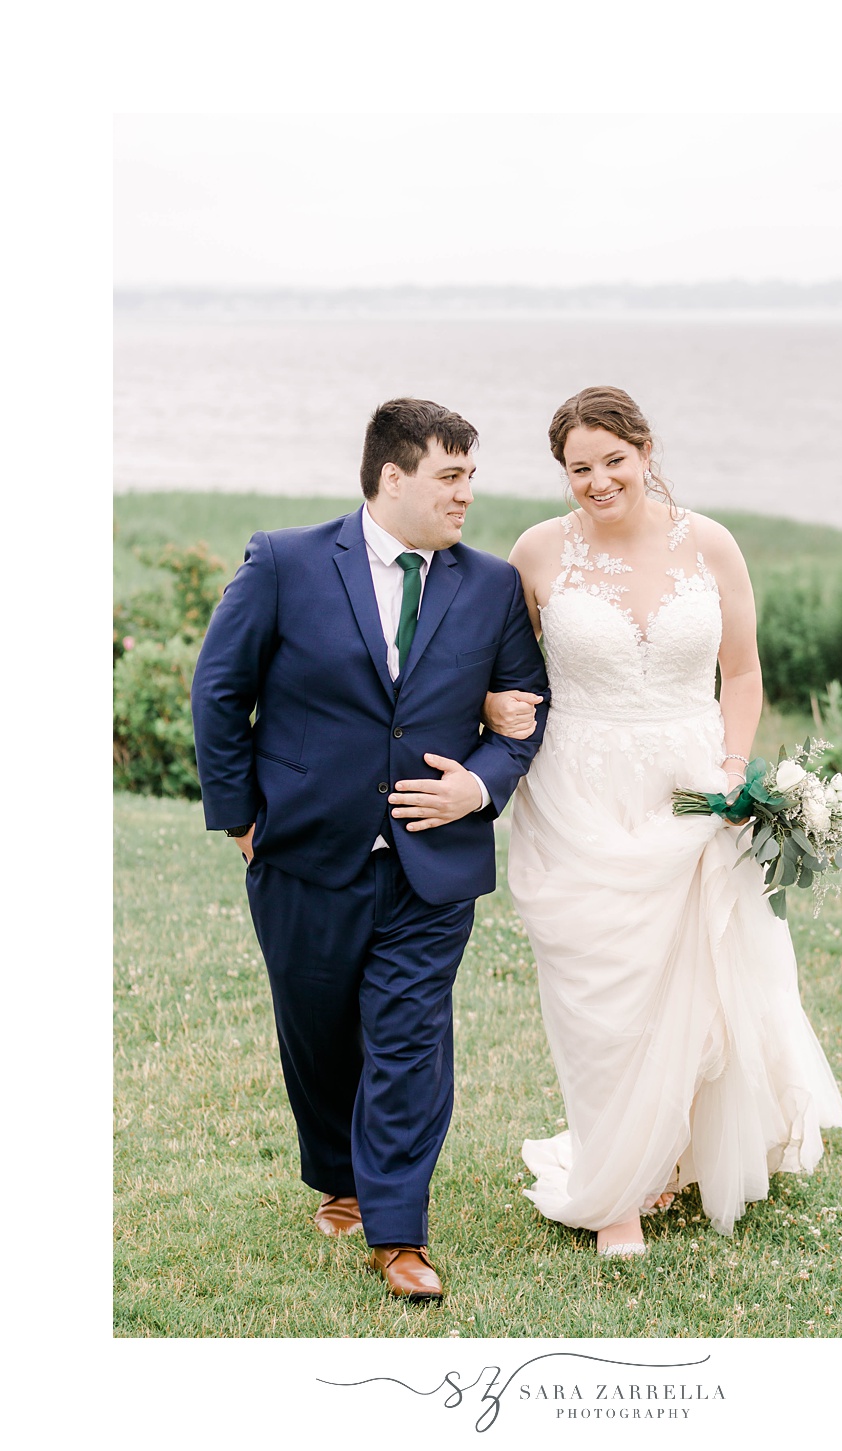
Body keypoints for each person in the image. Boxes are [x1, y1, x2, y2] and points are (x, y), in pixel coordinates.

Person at [191, 397, 549, 1302]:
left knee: (408, 1038)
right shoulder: (285, 561)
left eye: (472, 475)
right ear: (393, 477)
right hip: (302, 852)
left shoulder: (494, 584)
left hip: (435, 865)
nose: (469, 493)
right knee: (315, 1033)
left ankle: (398, 1232)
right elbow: (219, 691)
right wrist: (241, 819)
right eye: (451, 475)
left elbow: (523, 712)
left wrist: (480, 781)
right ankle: (339, 1178)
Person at [484, 385, 842, 1257]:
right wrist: (496, 701)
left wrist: (732, 776)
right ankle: (613, 1193)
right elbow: (502, 667)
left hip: (693, 787)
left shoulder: (710, 543)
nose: (598, 481)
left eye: (613, 460)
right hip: (578, 792)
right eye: (579, 468)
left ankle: (670, 1152)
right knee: (600, 992)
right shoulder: (536, 552)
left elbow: (744, 674)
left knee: (696, 982)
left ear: (646, 451)